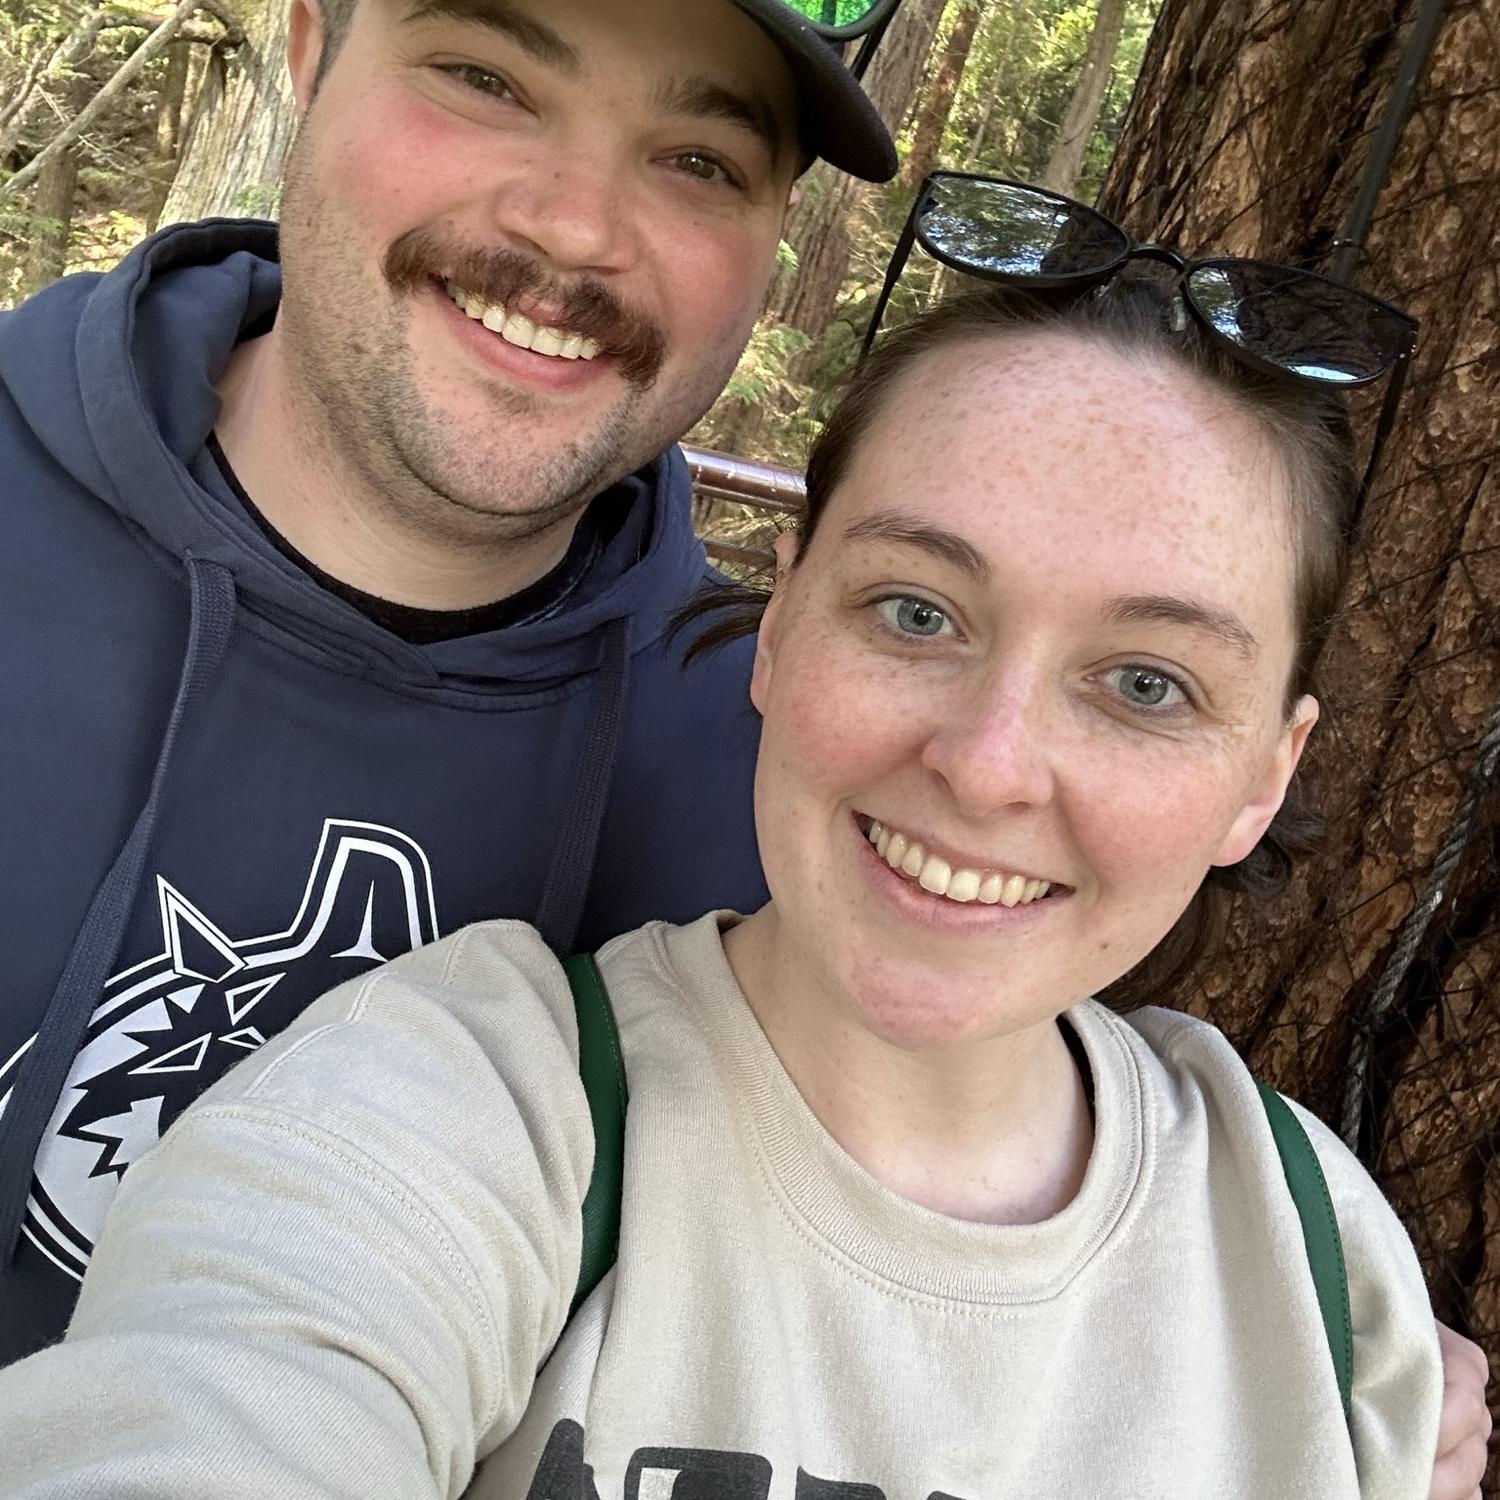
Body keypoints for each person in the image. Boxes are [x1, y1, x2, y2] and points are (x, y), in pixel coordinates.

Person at [0, 281, 1464, 1496]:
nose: (987, 766)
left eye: (1147, 684)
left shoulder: (1320, 1268)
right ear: (779, 626)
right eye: (916, 611)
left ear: (1265, 775)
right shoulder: (462, 1112)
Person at [0, 0, 895, 1363]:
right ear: (312, 50)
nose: (574, 229)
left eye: (697, 161)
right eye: (486, 79)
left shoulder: (784, 813)